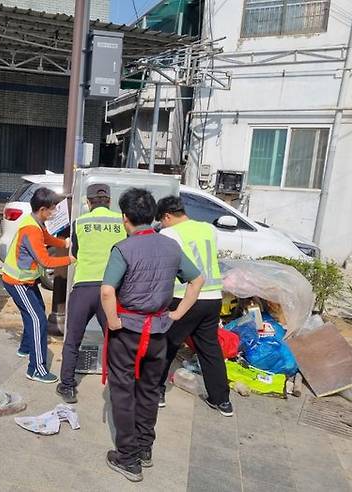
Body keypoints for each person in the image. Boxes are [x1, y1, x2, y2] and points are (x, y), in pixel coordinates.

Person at [100, 188, 204, 482]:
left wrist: (114, 321)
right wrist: (178, 313)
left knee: (122, 392)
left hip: (129, 330)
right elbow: (197, 280)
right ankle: (144, 449)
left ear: (125, 217)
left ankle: (128, 458)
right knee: (149, 390)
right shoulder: (171, 246)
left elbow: (107, 290)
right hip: (159, 332)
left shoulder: (124, 248)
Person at [156, 195, 233, 417]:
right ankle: (222, 400)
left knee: (167, 344)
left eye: (161, 220)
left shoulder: (170, 233)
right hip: (212, 298)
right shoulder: (208, 229)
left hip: (185, 297)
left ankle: (157, 391)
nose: (161, 225)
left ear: (167, 216)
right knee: (210, 348)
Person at [56, 184, 126, 404]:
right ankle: (120, 389)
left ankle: (67, 387)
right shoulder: (120, 222)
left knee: (72, 340)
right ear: (109, 201)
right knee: (115, 341)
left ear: (88, 202)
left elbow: (75, 253)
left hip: (83, 288)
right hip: (111, 289)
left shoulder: (80, 223)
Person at [1, 187, 75, 383]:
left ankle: (25, 347)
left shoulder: (35, 221)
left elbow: (47, 239)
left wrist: (64, 244)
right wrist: (71, 259)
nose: (55, 212)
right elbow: (46, 261)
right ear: (42, 209)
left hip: (24, 279)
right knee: (38, 320)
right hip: (17, 282)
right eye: (52, 209)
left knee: (35, 312)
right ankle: (36, 369)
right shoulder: (32, 229)